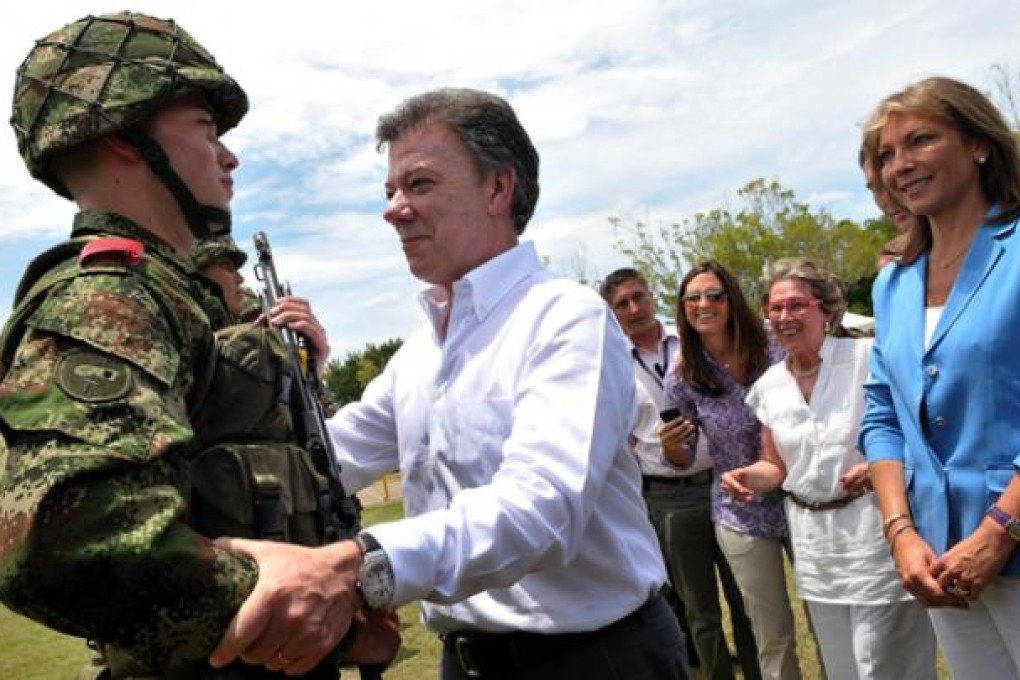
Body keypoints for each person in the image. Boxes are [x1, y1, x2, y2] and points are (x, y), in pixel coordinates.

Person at [211, 87, 688, 680]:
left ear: (497, 188)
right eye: (389, 190)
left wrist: (355, 567)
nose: (393, 208)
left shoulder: (566, 318)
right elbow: (325, 463)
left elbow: (541, 509)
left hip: (594, 660)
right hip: (464, 661)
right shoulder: (419, 355)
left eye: (419, 184)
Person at [0, 11, 396, 678]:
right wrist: (317, 616)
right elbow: (65, 535)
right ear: (127, 137)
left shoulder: (168, 296)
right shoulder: (108, 296)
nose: (228, 155)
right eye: (206, 130)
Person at [859, 75, 1020, 677]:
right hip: (936, 554)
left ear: (979, 144)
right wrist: (901, 530)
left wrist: (1000, 529)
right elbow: (882, 415)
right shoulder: (892, 283)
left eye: (920, 140)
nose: (900, 165)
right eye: (886, 155)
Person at [721, 257, 936, 679]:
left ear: (827, 309)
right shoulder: (768, 387)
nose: (785, 316)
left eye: (797, 305)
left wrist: (883, 468)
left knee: (885, 665)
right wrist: (750, 476)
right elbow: (775, 466)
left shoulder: (868, 357)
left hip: (874, 532)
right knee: (842, 668)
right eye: (776, 307)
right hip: (814, 545)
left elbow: (919, 432)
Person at [600, 267, 760, 680]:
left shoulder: (693, 339)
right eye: (622, 303)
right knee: (698, 608)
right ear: (611, 313)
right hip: (670, 495)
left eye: (639, 296)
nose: (634, 308)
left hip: (726, 482)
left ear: (652, 296)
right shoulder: (610, 366)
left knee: (747, 597)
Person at [662, 261, 802, 680]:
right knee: (771, 630)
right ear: (683, 308)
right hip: (739, 509)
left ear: (731, 300)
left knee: (824, 614)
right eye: (693, 298)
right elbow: (683, 456)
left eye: (714, 295)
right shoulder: (683, 375)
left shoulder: (774, 347)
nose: (704, 304)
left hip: (801, 496)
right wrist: (672, 450)